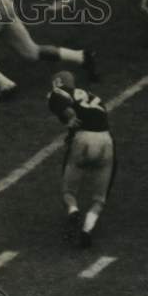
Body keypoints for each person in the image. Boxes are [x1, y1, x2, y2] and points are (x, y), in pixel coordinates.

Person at [47, 71, 116, 248]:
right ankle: (87, 230)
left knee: (68, 191)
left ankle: (73, 210)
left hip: (83, 141)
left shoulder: (59, 92)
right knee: (99, 199)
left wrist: (70, 120)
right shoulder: (92, 96)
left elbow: (64, 106)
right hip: (106, 142)